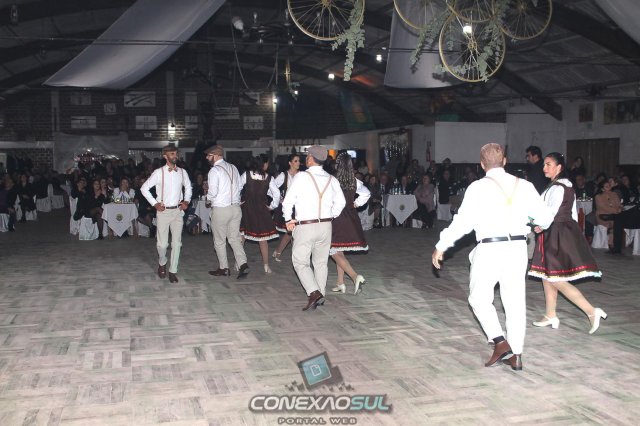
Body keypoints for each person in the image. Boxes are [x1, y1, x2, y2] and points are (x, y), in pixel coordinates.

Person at [432, 143, 553, 371]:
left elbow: (463, 223)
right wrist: (533, 222)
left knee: (478, 298)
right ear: (505, 161)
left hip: (490, 249)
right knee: (515, 302)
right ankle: (516, 354)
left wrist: (441, 246)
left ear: (481, 164)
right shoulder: (525, 185)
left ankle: (500, 341)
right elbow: (545, 218)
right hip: (517, 248)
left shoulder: (478, 188)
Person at [528, 153, 606, 334]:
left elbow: (551, 212)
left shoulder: (558, 188)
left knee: (556, 279)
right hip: (559, 231)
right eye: (544, 164)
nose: (544, 168)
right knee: (547, 275)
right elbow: (570, 213)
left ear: (559, 167)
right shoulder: (564, 186)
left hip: (556, 233)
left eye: (548, 164)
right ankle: (550, 315)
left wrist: (541, 225)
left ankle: (591, 311)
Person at [282, 145, 346, 311]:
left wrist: (288, 219)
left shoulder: (301, 176)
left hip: (306, 226)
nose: (306, 158)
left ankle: (314, 292)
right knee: (321, 263)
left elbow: (288, 201)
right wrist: (330, 215)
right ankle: (321, 294)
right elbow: (341, 202)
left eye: (307, 155)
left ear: (311, 158)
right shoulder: (332, 179)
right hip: (325, 226)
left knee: (300, 261)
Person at [140, 145, 192, 283]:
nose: (175, 156)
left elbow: (188, 187)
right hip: (163, 212)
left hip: (178, 211)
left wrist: (186, 201)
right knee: (162, 245)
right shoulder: (158, 172)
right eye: (172, 154)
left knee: (177, 243)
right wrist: (154, 203)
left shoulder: (182, 172)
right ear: (165, 156)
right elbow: (144, 188)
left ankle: (173, 271)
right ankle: (162, 262)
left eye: (176, 153)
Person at [205, 145, 249, 279]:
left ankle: (224, 268)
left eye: (209, 155)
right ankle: (243, 264)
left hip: (221, 209)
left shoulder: (214, 170)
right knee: (234, 238)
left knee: (219, 241)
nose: (207, 158)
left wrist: (208, 199)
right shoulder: (233, 167)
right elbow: (239, 186)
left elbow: (213, 191)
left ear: (215, 155)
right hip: (235, 208)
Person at [329, 153, 370, 295]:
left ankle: (354, 276)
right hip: (350, 217)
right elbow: (366, 193)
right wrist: (356, 203)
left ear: (338, 164)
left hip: (336, 217)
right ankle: (340, 283)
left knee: (333, 250)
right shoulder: (354, 180)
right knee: (339, 249)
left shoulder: (333, 180)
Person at [240, 155, 280, 274]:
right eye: (267, 163)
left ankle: (239, 262)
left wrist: (238, 201)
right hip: (261, 209)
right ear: (264, 164)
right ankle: (266, 266)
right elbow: (277, 194)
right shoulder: (268, 178)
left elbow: (236, 188)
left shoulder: (247, 174)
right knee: (262, 238)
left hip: (247, 208)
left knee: (242, 236)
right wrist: (272, 206)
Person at [272, 153, 301, 262]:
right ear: (290, 163)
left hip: (299, 206)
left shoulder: (301, 175)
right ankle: (279, 252)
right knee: (291, 231)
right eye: (295, 161)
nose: (298, 163)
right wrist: (279, 198)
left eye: (299, 161)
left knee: (295, 232)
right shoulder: (284, 175)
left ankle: (283, 253)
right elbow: (272, 186)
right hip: (288, 207)